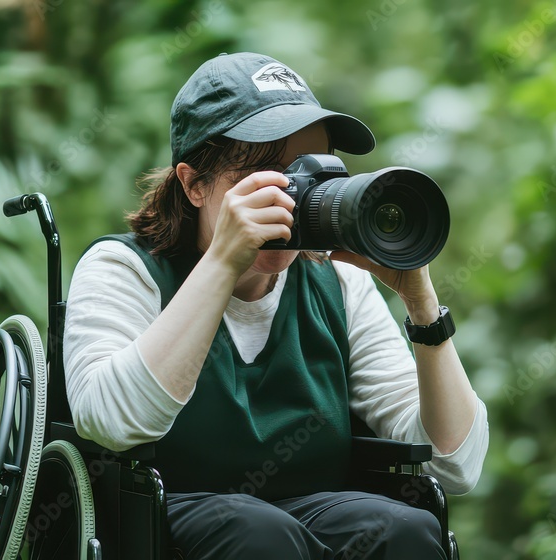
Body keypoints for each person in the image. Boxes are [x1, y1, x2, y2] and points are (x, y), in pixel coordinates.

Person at [63, 52, 489, 560]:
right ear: (194, 184)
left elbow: (456, 467)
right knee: (259, 533)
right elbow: (110, 422)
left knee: (405, 528)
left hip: (307, 513)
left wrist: (421, 304)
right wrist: (223, 260)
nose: (293, 195)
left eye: (310, 172)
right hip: (164, 519)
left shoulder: (341, 285)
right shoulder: (125, 269)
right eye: (267, 172)